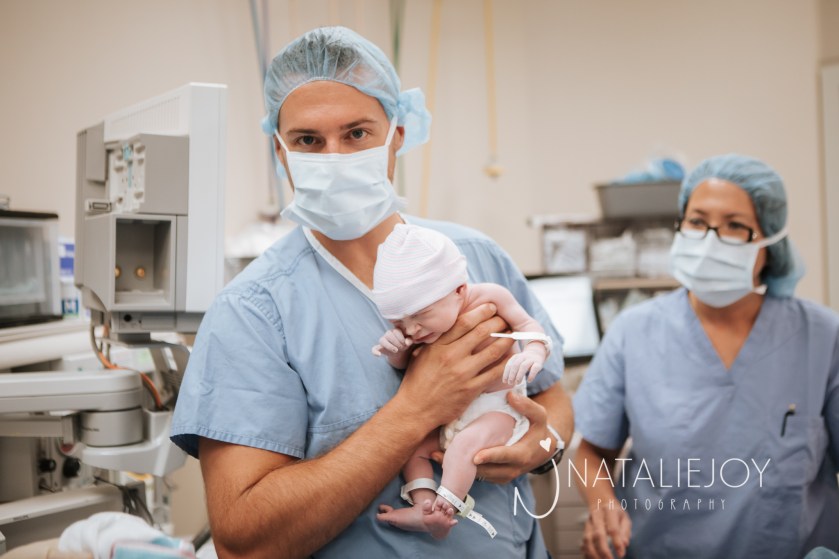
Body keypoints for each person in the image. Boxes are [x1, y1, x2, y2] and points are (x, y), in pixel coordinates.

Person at [170, 26, 572, 559]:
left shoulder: (476, 255)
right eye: (308, 141)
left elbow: (552, 396)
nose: (334, 157)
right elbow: (244, 541)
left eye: (357, 133)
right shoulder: (253, 312)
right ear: (280, 151)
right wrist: (416, 408)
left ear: (397, 134)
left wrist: (540, 448)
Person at [572, 154, 839, 559]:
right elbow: (592, 451)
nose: (711, 239)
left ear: (769, 242)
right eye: (697, 221)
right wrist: (602, 506)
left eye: (735, 225)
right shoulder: (634, 332)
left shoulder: (822, 337)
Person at [370, 223, 554, 540]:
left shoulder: (491, 297)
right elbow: (404, 363)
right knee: (413, 450)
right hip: (446, 417)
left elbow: (528, 325)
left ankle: (447, 507)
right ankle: (423, 506)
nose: (411, 329)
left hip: (498, 410)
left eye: (420, 315)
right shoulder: (415, 328)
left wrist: (535, 351)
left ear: (458, 290)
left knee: (464, 446)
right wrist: (395, 350)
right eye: (399, 321)